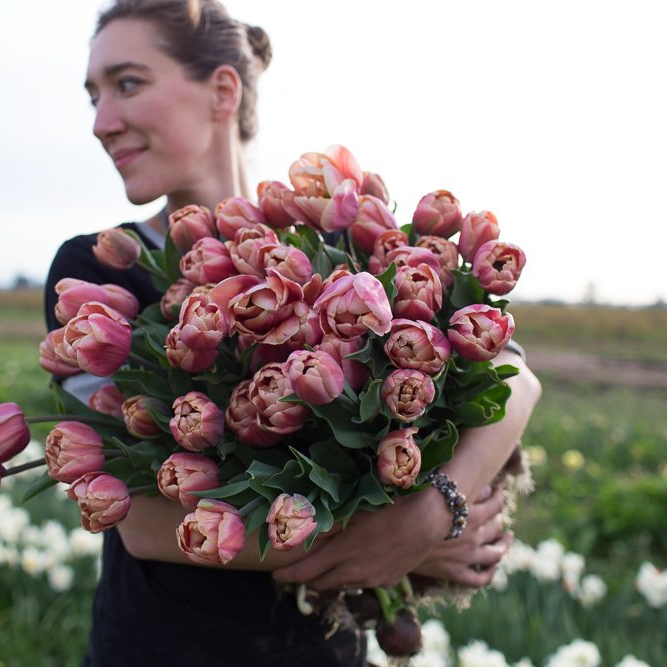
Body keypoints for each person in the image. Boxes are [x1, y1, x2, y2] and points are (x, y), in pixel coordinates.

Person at [44, 1, 542, 664]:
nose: (103, 122)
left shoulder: (340, 242)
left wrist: (429, 515)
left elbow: (518, 378)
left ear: (223, 91)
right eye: (94, 96)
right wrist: (391, 538)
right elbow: (143, 522)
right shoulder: (98, 272)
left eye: (127, 83)